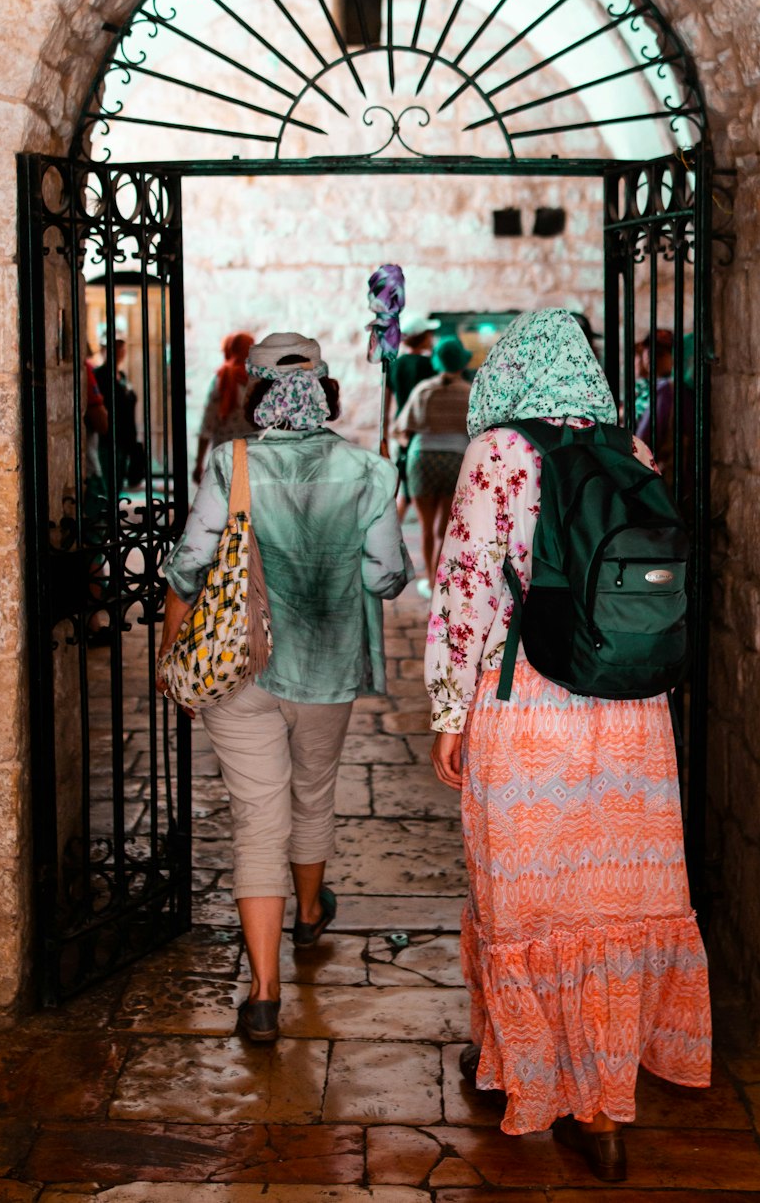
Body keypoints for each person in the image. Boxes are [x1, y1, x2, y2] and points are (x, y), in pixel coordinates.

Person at [426, 309, 710, 1182]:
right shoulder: (631, 449)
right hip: (632, 718)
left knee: (531, 909)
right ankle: (603, 1108)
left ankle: (532, 1078)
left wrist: (448, 711)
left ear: (510, 370)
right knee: (609, 910)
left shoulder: (500, 454)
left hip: (531, 709)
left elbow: (466, 589)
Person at [158, 332, 410, 1044]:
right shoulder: (369, 471)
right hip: (327, 665)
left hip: (239, 663)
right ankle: (308, 913)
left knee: (257, 819)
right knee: (313, 793)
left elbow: (188, 566)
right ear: (324, 389)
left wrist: (170, 649)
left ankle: (264, 996)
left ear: (257, 392)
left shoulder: (229, 463)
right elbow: (385, 576)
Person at [393, 335, 472, 599]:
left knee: (426, 528)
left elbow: (402, 429)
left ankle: (427, 579)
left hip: (422, 460)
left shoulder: (424, 390)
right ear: (461, 363)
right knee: (444, 528)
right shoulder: (469, 392)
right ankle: (440, 582)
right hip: (455, 461)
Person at [384, 311, 439, 520]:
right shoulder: (430, 366)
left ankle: (390, 539)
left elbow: (388, 405)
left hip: (402, 431)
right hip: (425, 431)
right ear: (422, 336)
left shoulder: (394, 365)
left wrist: (387, 441)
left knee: (405, 492)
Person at [634, 328, 695, 501]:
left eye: (662, 352)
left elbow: (642, 442)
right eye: (650, 349)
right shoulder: (680, 389)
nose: (654, 356)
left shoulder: (666, 391)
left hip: (659, 482)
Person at [194, 331, 255, 483]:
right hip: (254, 456)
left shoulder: (222, 379)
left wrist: (199, 463)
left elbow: (208, 424)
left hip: (225, 455)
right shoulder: (260, 380)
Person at [97, 337, 139, 500]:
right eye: (117, 349)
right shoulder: (100, 375)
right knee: (108, 483)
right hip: (108, 437)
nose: (121, 353)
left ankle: (113, 519)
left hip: (125, 438)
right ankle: (108, 521)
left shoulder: (122, 376)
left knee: (118, 482)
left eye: (123, 350)